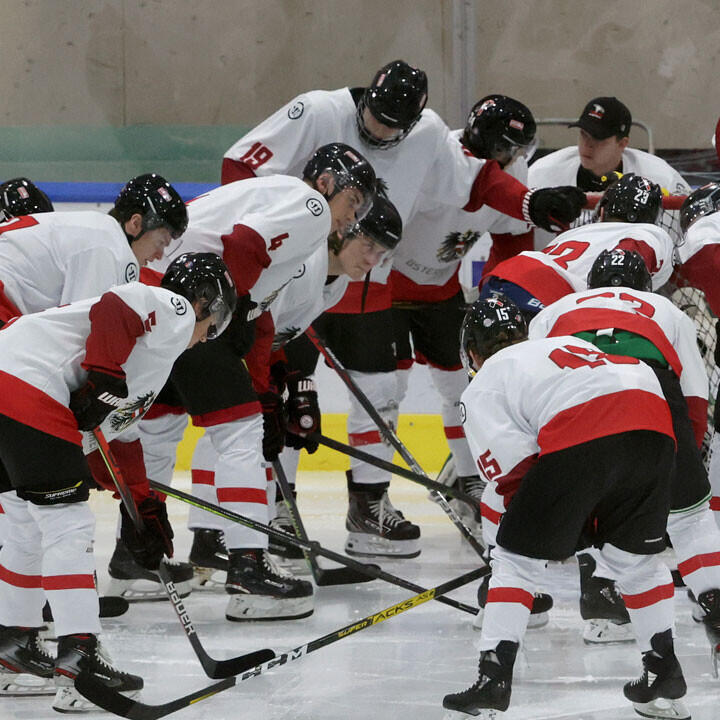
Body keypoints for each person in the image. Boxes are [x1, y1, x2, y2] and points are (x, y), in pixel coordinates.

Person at [222, 59, 585, 557]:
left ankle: (367, 508)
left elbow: (477, 181)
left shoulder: (430, 135)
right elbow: (241, 164)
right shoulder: (319, 109)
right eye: (374, 117)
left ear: (415, 121)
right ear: (366, 95)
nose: (380, 131)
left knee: (381, 393)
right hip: (294, 279)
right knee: (289, 396)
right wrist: (260, 253)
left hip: (365, 279)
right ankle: (277, 510)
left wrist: (530, 203)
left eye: (394, 126)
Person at [134, 143, 376, 619]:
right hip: (189, 300)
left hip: (158, 296)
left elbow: (257, 313)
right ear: (326, 184)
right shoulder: (307, 206)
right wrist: (231, 329)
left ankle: (133, 558)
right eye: (353, 204)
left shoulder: (293, 226)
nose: (352, 219)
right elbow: (240, 250)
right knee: (239, 433)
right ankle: (248, 565)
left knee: (159, 427)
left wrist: (266, 389)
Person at [0, 252, 237, 711]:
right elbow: (117, 307)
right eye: (215, 324)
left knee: (24, 525)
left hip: (9, 381)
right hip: (28, 381)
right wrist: (105, 378)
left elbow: (116, 437)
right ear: (207, 303)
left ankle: (14, 649)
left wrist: (143, 509)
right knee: (67, 525)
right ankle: (81, 657)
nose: (206, 338)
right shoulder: (174, 307)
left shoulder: (149, 358)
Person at [442, 296, 689, 720]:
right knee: (637, 563)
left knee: (514, 561)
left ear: (471, 352)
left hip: (588, 433)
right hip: (654, 423)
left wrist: (533, 540)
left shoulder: (487, 379)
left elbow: (514, 476)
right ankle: (663, 670)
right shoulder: (568, 346)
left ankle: (492, 680)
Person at [188, 190, 403, 574]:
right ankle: (210, 535)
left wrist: (292, 382)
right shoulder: (306, 265)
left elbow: (277, 335)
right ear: (343, 231)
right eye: (368, 245)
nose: (372, 262)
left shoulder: (334, 282)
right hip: (204, 326)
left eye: (382, 254)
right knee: (237, 427)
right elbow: (256, 320)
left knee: (243, 428)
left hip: (231, 338)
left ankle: (218, 534)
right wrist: (266, 390)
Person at [0, 174, 191, 594]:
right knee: (29, 479)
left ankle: (27, 597)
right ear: (137, 223)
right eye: (163, 237)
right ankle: (44, 595)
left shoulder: (90, 233)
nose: (162, 252)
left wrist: (136, 493)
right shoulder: (110, 249)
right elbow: (94, 367)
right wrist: (135, 494)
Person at [528, 249, 720, 659]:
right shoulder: (665, 308)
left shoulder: (555, 309)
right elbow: (694, 395)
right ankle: (717, 611)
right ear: (644, 285)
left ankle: (599, 598)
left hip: (575, 394)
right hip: (651, 390)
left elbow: (532, 380)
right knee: (690, 520)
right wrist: (684, 466)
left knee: (590, 504)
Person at [389, 95, 536, 539]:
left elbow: (514, 243)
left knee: (461, 388)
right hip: (388, 287)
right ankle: (372, 496)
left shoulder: (513, 174)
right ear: (491, 142)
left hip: (442, 290)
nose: (515, 160)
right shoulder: (436, 156)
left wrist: (497, 293)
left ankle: (468, 476)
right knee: (387, 390)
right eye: (510, 148)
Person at [479, 173, 674, 321]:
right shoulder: (651, 234)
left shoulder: (576, 233)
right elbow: (621, 271)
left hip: (500, 279)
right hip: (545, 298)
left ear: (604, 208)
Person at [528, 96, 691, 248]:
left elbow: (689, 232)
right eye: (583, 134)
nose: (588, 145)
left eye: (598, 138)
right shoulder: (542, 173)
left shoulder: (660, 177)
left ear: (622, 143)